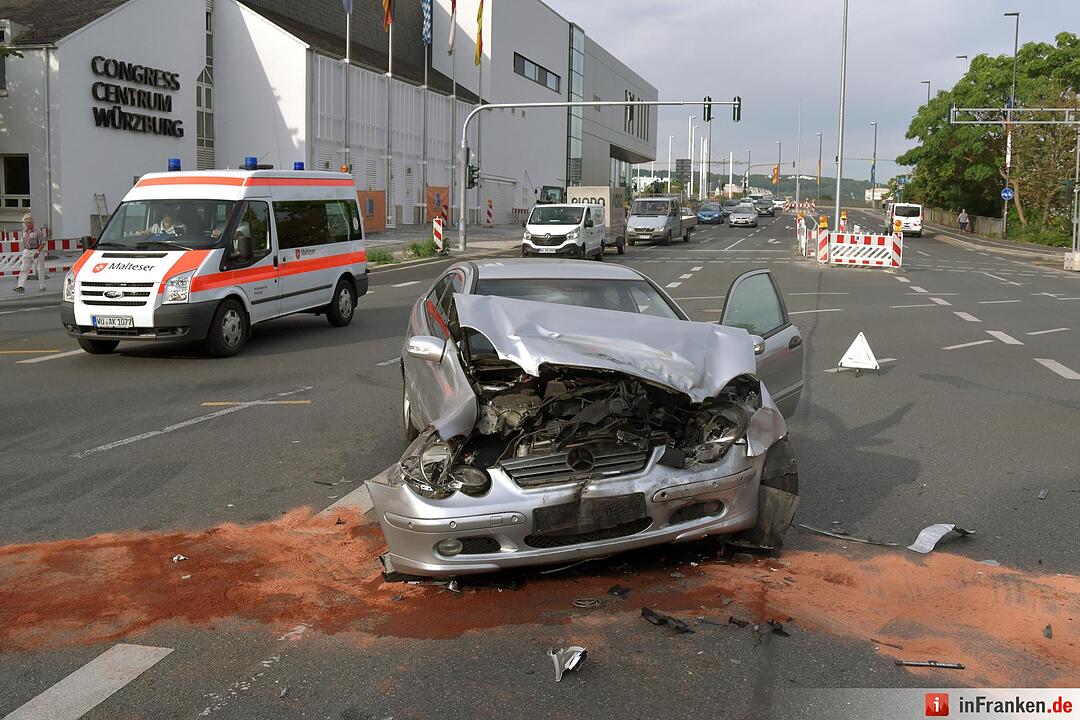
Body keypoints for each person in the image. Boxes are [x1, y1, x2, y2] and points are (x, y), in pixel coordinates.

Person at [14, 213, 48, 294]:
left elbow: (43, 243)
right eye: (26, 223)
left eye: (29, 222)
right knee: (24, 269)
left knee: (40, 269)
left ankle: (42, 286)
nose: (28, 224)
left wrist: (37, 252)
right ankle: (20, 286)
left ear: (33, 222)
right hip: (27, 251)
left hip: (36, 250)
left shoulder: (38, 231)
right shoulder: (24, 231)